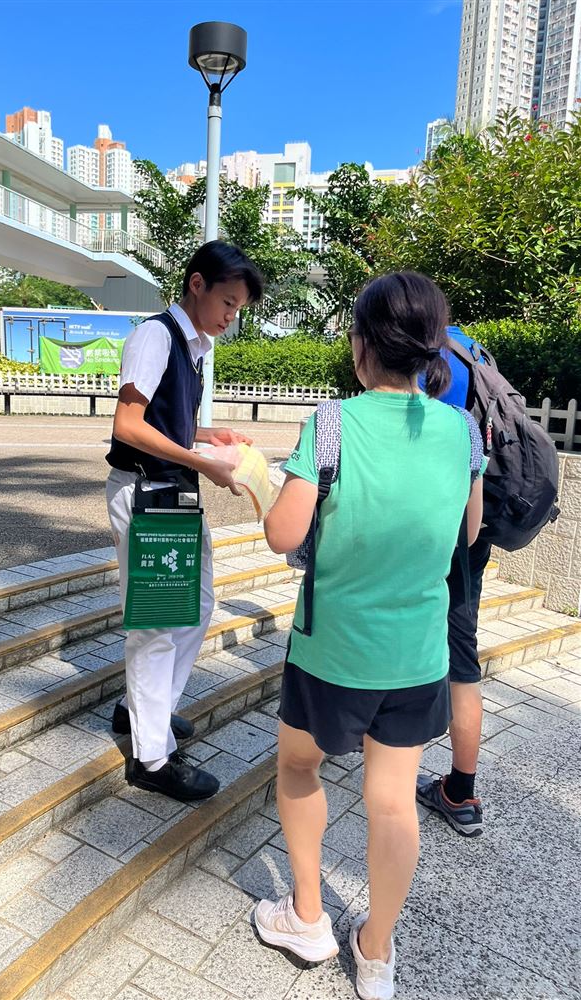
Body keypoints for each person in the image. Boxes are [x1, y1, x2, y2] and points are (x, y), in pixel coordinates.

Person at [254, 272, 485, 1000]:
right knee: (391, 802)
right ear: (428, 350)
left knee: (298, 768)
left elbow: (281, 534)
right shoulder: (462, 429)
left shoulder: (330, 423)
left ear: (361, 346)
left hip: (332, 651)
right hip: (417, 654)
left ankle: (308, 916)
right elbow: (469, 532)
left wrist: (257, 478)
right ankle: (376, 952)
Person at [105, 240, 263, 802]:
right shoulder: (155, 336)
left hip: (172, 493)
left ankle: (145, 711)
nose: (230, 316)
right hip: (148, 492)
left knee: (194, 606)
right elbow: (128, 425)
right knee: (154, 626)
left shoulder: (191, 347)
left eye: (239, 308)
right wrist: (204, 462)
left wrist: (206, 435)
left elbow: (165, 422)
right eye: (227, 302)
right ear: (196, 284)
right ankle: (151, 758)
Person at [415, 326, 491, 837]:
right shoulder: (473, 350)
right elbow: (473, 522)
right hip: (466, 540)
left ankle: (376, 741)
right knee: (463, 662)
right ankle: (460, 792)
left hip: (420, 528)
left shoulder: (418, 351)